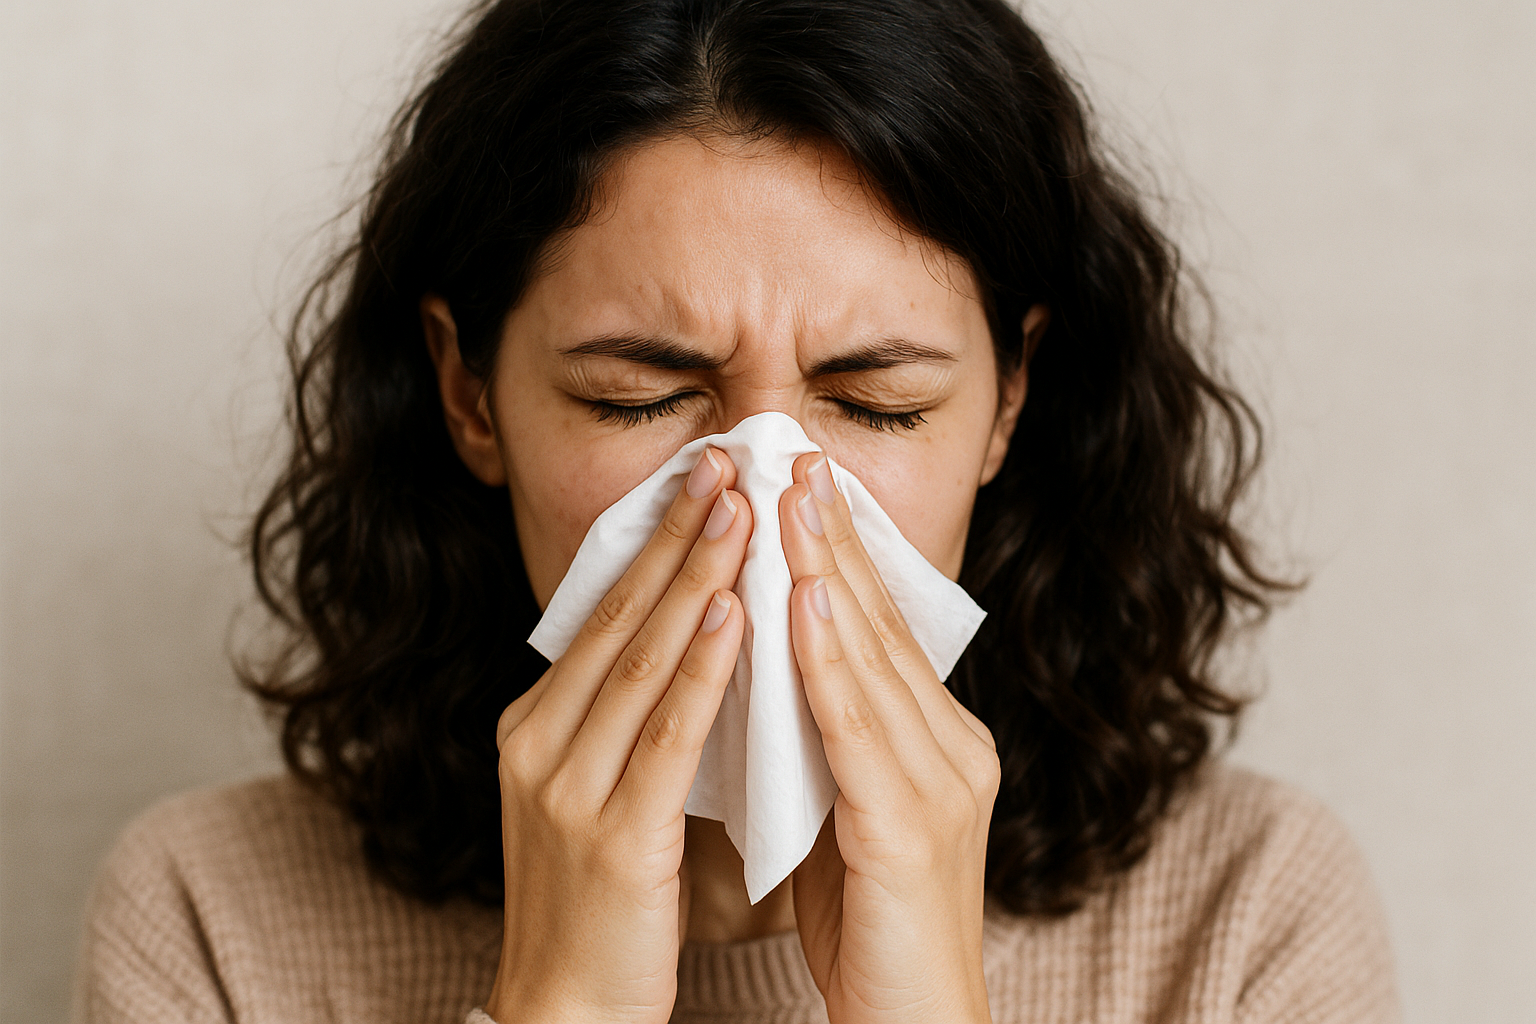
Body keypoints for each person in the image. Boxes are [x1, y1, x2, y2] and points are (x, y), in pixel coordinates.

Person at [70, 1, 1401, 1022]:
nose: (761, 509)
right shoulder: (213, 917)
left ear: (1007, 406)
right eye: (638, 398)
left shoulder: (1243, 917)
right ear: (470, 394)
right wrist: (564, 1002)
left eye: (875, 404)